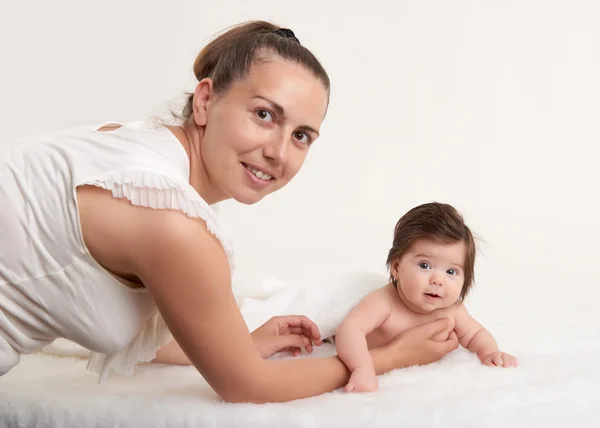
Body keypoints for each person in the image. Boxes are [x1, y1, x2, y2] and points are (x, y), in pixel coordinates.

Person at [0, 20, 459, 403]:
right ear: (205, 100)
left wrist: (240, 343)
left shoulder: (133, 144)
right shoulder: (173, 225)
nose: (279, 151)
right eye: (264, 115)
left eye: (302, 136)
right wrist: (392, 358)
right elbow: (247, 386)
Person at [335, 202, 518, 393]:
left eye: (451, 271)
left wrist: (490, 352)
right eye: (424, 265)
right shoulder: (384, 302)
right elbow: (349, 329)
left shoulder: (452, 310)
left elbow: (475, 334)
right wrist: (362, 368)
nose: (438, 280)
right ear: (396, 267)